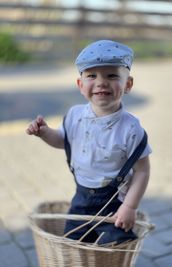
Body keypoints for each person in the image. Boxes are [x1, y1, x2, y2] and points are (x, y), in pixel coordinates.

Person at [26, 40, 151, 245]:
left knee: (115, 246)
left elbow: (142, 171)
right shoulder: (75, 115)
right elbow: (62, 141)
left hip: (114, 204)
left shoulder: (130, 128)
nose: (101, 82)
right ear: (80, 85)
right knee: (73, 244)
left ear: (128, 84)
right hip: (81, 201)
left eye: (112, 75)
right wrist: (45, 133)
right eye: (92, 75)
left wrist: (130, 207)